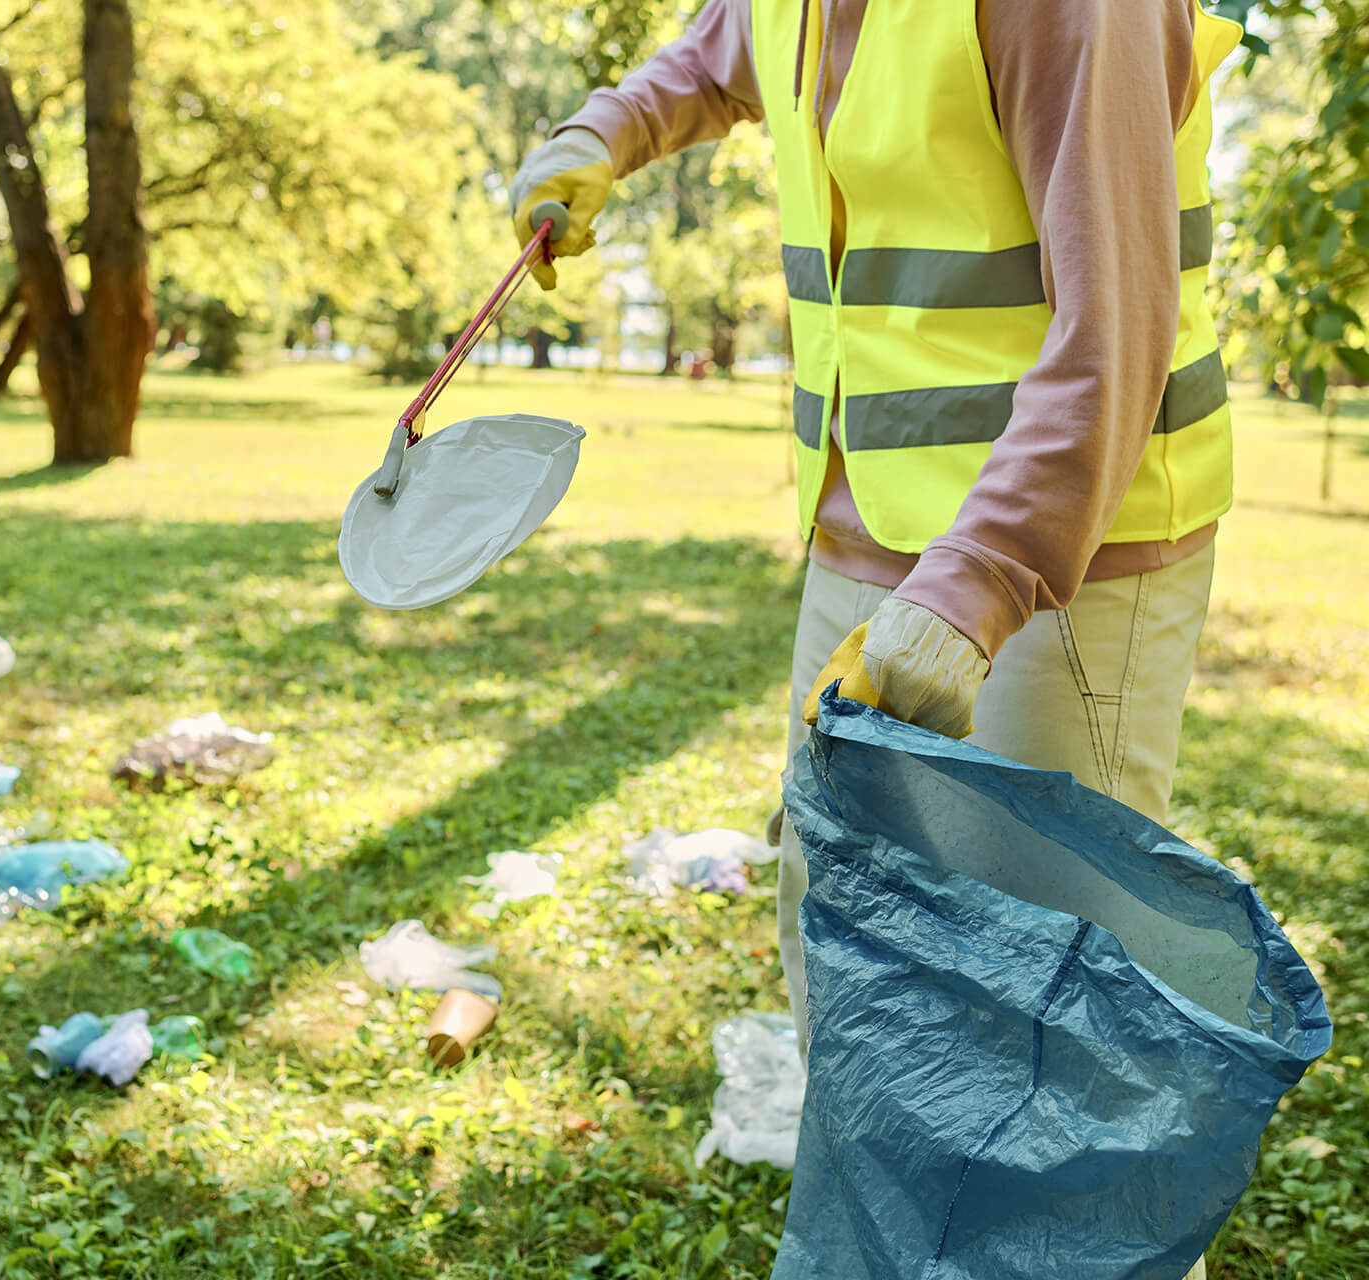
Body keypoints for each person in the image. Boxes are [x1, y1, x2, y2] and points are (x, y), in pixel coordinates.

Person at [511, 3, 1242, 1275]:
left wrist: (976, 586)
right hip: (867, 530)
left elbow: (1116, 326)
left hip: (1058, 562)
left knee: (1040, 981)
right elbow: (717, 52)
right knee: (835, 914)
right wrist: (602, 130)